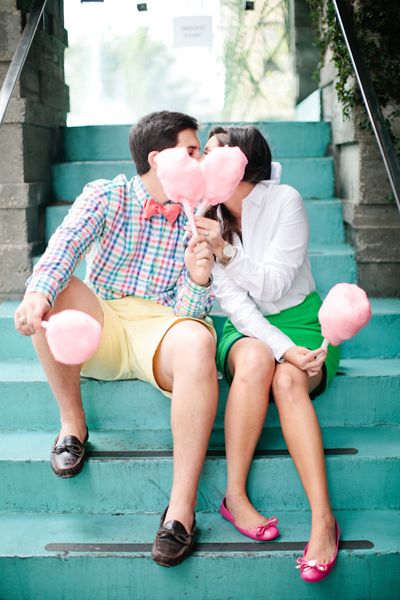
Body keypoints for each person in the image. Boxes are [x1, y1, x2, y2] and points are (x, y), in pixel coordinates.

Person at [14, 111, 219, 568]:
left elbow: (188, 315)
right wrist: (35, 296)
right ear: (156, 158)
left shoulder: (200, 213)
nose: (200, 159)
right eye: (190, 150)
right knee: (57, 289)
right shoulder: (107, 195)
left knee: (198, 341)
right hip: (103, 321)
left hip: (161, 329)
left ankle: (180, 511)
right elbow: (63, 248)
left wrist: (199, 276)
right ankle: (73, 425)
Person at [193, 125, 341, 583]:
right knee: (258, 360)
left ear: (244, 162)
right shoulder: (204, 216)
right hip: (245, 327)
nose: (203, 161)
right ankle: (234, 495)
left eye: (215, 151)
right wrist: (280, 348)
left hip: (301, 318)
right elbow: (236, 306)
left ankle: (323, 522)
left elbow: (276, 283)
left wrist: (226, 252)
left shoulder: (285, 201)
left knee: (289, 379)